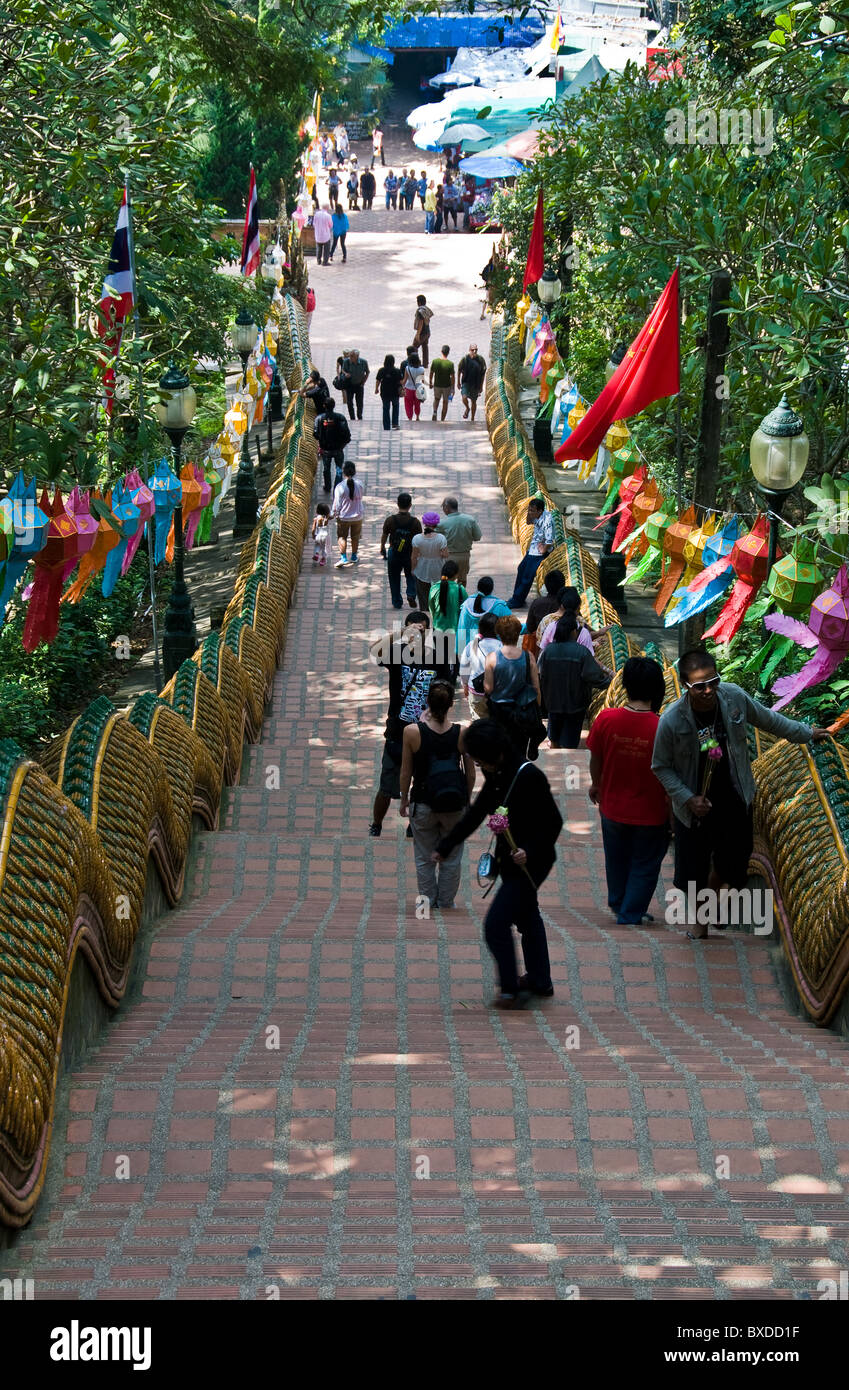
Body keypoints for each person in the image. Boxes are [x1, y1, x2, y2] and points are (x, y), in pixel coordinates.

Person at [651, 649, 831, 940]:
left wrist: (807, 733)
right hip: (694, 805)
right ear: (685, 686)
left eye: (714, 681)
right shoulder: (671, 721)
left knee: (734, 862)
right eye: (699, 686)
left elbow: (769, 720)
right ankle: (700, 922)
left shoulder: (733, 697)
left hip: (734, 796)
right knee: (692, 870)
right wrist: (687, 798)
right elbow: (660, 767)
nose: (709, 690)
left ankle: (711, 904)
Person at [433, 719, 563, 1007]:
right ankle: (541, 981)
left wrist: (529, 849)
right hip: (510, 862)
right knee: (528, 917)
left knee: (495, 924)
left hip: (531, 864)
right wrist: (446, 845)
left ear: (495, 755)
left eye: (480, 762)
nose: (479, 767)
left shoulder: (529, 776)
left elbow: (553, 822)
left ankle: (510, 989)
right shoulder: (497, 774)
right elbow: (477, 812)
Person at [587, 656, 670, 926]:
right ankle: (630, 912)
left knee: (616, 857)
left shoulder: (606, 719)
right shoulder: (662, 727)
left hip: (612, 806)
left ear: (626, 685)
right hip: (652, 811)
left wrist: (596, 783)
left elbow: (595, 758)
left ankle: (620, 903)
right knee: (645, 863)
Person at [400, 681, 476, 911]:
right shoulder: (461, 732)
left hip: (423, 802)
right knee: (452, 858)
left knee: (423, 857)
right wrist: (468, 798)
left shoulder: (412, 732)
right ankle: (446, 903)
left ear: (427, 703)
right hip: (454, 804)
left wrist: (404, 799)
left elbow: (406, 771)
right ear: (451, 705)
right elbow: (470, 772)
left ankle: (427, 901)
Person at [369, 611, 446, 837]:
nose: (417, 634)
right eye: (412, 629)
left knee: (421, 786)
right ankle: (376, 824)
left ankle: (414, 825)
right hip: (398, 731)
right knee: (386, 786)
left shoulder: (437, 655)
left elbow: (446, 688)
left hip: (425, 733)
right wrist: (400, 634)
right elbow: (374, 651)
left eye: (421, 630)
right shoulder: (397, 652)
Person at [537, 615, 610, 749]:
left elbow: (541, 673)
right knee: (569, 744)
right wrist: (611, 682)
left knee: (554, 739)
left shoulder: (548, 651)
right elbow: (594, 677)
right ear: (572, 632)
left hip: (553, 702)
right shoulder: (582, 652)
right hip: (575, 705)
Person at [484, 614, 544, 760]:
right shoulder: (527, 656)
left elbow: (489, 688)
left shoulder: (492, 658)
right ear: (518, 634)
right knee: (520, 748)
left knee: (501, 749)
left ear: (499, 634)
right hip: (521, 711)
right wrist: (537, 709)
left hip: (499, 711)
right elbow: (536, 687)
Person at [507, 497, 554, 609]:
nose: (530, 512)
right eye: (530, 510)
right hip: (533, 550)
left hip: (539, 554)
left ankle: (517, 600)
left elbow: (549, 541)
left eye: (533, 510)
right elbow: (528, 522)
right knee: (521, 569)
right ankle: (517, 597)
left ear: (540, 511)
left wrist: (543, 550)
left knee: (527, 576)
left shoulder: (547, 521)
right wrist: (529, 513)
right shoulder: (536, 515)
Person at [380, 492, 422, 609]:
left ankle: (397, 601)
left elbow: (384, 535)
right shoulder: (415, 522)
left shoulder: (390, 520)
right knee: (412, 575)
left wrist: (382, 547)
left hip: (394, 552)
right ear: (410, 505)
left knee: (394, 577)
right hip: (410, 553)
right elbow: (419, 539)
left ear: (397, 504)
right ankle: (411, 594)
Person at [460, 610, 501, 719]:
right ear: (497, 630)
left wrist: (465, 686)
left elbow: (464, 668)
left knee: (479, 724)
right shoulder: (501, 647)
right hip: (496, 693)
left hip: (476, 692)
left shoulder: (472, 645)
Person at [428, 560, 468, 668]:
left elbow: (431, 609)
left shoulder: (434, 588)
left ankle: (442, 680)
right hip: (455, 630)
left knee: (440, 659)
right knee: (454, 658)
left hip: (438, 628)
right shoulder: (460, 589)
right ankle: (453, 679)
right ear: (456, 574)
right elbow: (465, 609)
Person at [457, 575, 511, 652]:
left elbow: (461, 630)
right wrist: (529, 627)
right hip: (494, 653)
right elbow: (512, 626)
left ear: (478, 588)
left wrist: (460, 652)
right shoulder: (500, 606)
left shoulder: (466, 605)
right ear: (492, 589)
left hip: (471, 652)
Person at [436, 496, 481, 586]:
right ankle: (461, 598)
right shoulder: (470, 520)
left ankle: (448, 598)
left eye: (443, 507)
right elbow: (477, 537)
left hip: (448, 556)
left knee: (446, 580)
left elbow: (435, 539)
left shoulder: (442, 523)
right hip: (464, 556)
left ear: (447, 507)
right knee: (462, 580)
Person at [330, 460, 364, 568]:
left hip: (344, 518)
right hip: (358, 516)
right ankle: (354, 556)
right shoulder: (360, 484)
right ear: (354, 471)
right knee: (355, 537)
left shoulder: (340, 487)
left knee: (342, 537)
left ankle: (343, 558)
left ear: (343, 472)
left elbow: (337, 504)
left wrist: (333, 514)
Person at [522, 568, 564, 656]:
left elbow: (530, 627)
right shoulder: (566, 605)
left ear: (546, 586)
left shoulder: (537, 603)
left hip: (539, 648)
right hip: (563, 647)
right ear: (563, 586)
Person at [411, 511, 448, 611]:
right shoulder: (441, 538)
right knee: (438, 590)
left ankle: (425, 610)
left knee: (422, 592)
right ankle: (437, 609)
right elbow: (445, 555)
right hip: (438, 568)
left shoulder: (417, 539)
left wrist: (413, 570)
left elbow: (414, 557)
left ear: (424, 523)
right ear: (436, 524)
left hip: (422, 568)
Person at [313, 396, 350, 493]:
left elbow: (316, 434)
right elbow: (346, 434)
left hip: (325, 449)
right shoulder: (340, 417)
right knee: (339, 468)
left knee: (326, 468)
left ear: (324, 406)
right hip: (338, 448)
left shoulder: (319, 418)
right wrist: (343, 445)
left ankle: (327, 486)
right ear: (334, 406)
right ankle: (337, 487)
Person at [457, 343, 486, 421]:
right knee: (464, 397)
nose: (474, 351)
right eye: (472, 350)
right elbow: (459, 370)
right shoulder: (465, 359)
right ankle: (467, 408)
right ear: (469, 350)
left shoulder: (480, 360)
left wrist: (481, 386)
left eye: (476, 350)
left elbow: (483, 373)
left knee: (474, 401)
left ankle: (472, 418)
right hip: (466, 382)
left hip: (475, 384)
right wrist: (458, 382)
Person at [375, 353, 403, 431]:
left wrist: (376, 389)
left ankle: (386, 426)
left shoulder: (382, 370)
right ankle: (395, 423)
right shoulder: (397, 370)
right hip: (395, 393)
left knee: (386, 409)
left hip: (385, 393)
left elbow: (378, 380)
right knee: (396, 407)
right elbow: (401, 381)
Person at [340, 348, 369, 420]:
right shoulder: (346, 362)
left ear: (357, 356)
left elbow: (367, 372)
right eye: (350, 356)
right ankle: (352, 417)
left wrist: (364, 382)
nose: (350, 358)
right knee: (349, 402)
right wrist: (346, 374)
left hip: (359, 384)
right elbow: (343, 370)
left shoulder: (363, 362)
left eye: (352, 356)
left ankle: (359, 416)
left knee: (359, 402)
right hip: (350, 384)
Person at [428, 346, 455, 423]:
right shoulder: (450, 364)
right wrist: (453, 388)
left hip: (437, 385)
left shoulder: (435, 361)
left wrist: (430, 382)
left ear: (441, 351)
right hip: (447, 386)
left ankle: (435, 411)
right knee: (445, 402)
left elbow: (431, 373)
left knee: (436, 399)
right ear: (448, 353)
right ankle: (442, 419)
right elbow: (452, 377)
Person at [402, 350, 425, 424]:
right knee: (417, 403)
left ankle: (410, 418)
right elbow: (423, 381)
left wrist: (401, 386)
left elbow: (405, 380)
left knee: (408, 404)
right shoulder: (422, 369)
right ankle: (417, 417)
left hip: (408, 388)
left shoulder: (407, 368)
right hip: (418, 388)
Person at [413, 295, 434, 368]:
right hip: (427, 332)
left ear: (419, 302)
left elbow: (421, 323)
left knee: (414, 347)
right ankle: (425, 364)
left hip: (422, 333)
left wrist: (418, 334)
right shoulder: (426, 309)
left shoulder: (420, 311)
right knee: (425, 347)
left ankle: (416, 363)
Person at [311, 502, 331, 567]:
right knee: (325, 548)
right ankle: (323, 559)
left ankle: (316, 553)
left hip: (318, 535)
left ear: (317, 511)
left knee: (317, 546)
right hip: (326, 536)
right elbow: (332, 516)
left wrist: (313, 535)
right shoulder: (327, 518)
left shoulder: (316, 519)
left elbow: (313, 529)